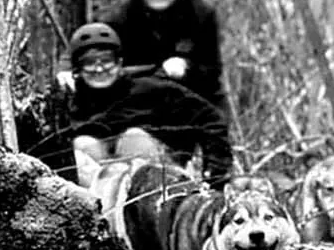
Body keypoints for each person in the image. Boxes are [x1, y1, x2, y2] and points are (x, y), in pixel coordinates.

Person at [42, 22, 233, 188]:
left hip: (158, 181)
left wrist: (215, 176)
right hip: (99, 187)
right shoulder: (69, 101)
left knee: (133, 139)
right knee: (83, 145)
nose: (99, 69)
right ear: (78, 68)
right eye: (89, 63)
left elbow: (211, 119)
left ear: (119, 62)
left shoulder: (153, 89)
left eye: (107, 61)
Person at [98, 0, 230, 118]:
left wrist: (186, 67)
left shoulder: (201, 14)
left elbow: (212, 71)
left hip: (196, 100)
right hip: (138, 104)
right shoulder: (116, 20)